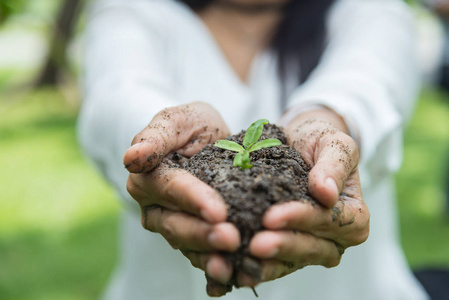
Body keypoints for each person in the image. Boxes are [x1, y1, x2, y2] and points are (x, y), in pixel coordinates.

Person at [77, 0, 429, 299]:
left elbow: (367, 81)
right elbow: (117, 93)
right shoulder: (133, 10)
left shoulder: (367, 10)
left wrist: (327, 119)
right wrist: (157, 139)